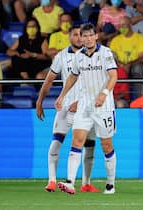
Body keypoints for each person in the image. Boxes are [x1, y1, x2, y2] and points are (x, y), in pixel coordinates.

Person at [55, 23, 118, 194]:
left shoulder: (105, 53)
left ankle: (110, 184)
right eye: (85, 36)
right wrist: (62, 95)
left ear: (96, 36)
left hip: (104, 106)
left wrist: (104, 94)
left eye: (91, 35)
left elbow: (114, 76)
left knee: (106, 145)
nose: (88, 38)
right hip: (85, 105)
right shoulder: (78, 57)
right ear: (81, 38)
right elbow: (72, 77)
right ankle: (70, 182)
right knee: (76, 141)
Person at [36, 25, 100, 193]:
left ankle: (86, 183)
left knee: (90, 145)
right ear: (70, 37)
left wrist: (81, 101)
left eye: (81, 35)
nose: (79, 38)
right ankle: (51, 180)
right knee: (56, 143)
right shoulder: (61, 57)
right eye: (76, 35)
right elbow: (49, 80)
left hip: (86, 108)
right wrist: (39, 101)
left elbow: (98, 83)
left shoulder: (93, 56)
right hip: (66, 108)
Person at [109, 16, 143, 99]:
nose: (122, 28)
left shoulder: (139, 38)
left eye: (124, 25)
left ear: (130, 25)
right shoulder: (115, 40)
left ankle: (139, 98)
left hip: (135, 65)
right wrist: (121, 65)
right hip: (119, 66)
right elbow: (111, 57)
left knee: (138, 69)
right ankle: (119, 98)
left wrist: (129, 64)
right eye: (120, 26)